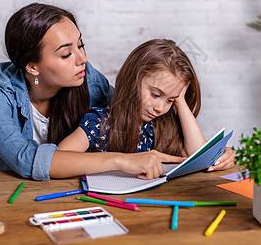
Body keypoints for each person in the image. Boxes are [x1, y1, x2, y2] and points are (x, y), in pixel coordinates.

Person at [0, 3, 185, 181]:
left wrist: (212, 154)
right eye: (66, 54)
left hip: (54, 165)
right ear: (32, 66)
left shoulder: (88, 78)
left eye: (80, 45)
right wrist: (120, 160)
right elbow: (26, 160)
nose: (83, 59)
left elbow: (127, 114)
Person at [59, 39, 235, 177]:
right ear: (132, 80)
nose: (160, 108)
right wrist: (121, 161)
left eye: (170, 100)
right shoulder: (100, 123)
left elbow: (200, 157)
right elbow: (58, 159)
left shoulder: (162, 125)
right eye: (155, 95)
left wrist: (180, 101)